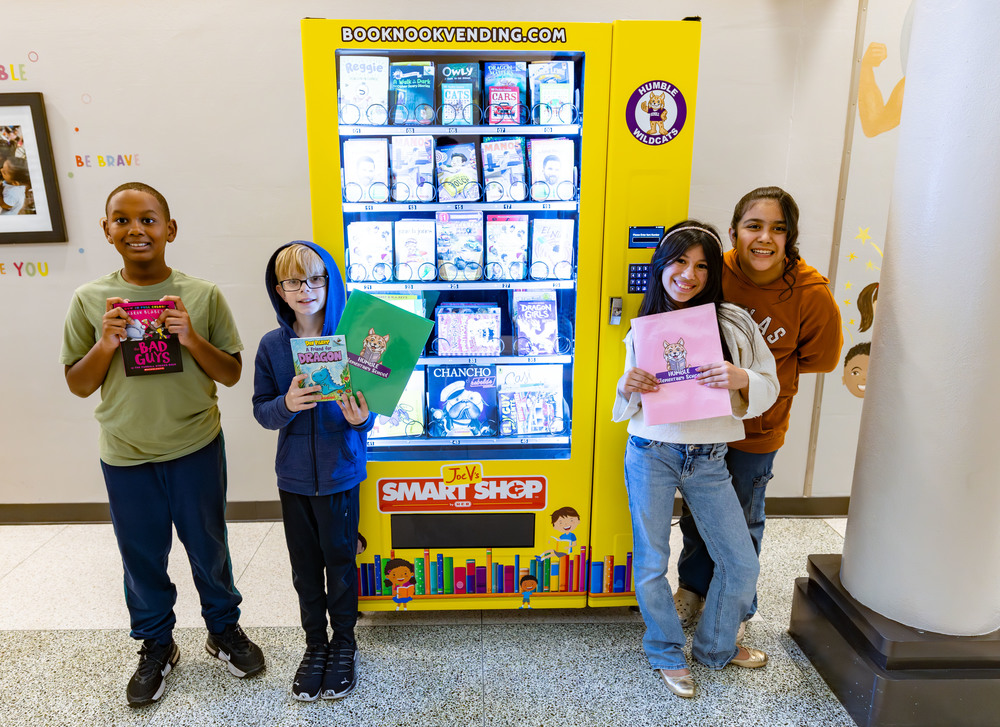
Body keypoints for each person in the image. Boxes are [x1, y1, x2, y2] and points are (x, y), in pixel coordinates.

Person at [60, 182, 264, 708]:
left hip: (195, 444)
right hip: (126, 453)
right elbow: (79, 384)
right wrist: (106, 342)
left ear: (170, 229)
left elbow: (233, 374)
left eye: (148, 219)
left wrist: (191, 338)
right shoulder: (90, 301)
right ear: (107, 231)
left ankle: (223, 630)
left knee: (209, 546)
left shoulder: (202, 295)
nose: (136, 229)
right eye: (122, 220)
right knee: (141, 557)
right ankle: (156, 644)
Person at [614, 221, 779, 699]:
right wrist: (628, 388)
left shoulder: (733, 323)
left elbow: (768, 386)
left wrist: (739, 376)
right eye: (680, 261)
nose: (689, 274)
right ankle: (665, 650)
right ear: (661, 266)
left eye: (702, 265)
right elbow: (628, 402)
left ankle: (715, 647)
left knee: (740, 562)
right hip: (652, 450)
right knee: (651, 560)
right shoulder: (645, 324)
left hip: (709, 457)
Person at [674, 187, 843, 637]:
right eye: (754, 226)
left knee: (743, 515)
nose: (764, 237)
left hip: (758, 427)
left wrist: (765, 378)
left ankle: (736, 609)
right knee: (697, 511)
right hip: (703, 421)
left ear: (790, 238)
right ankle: (691, 590)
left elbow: (821, 359)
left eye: (778, 228)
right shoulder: (715, 271)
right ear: (734, 233)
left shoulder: (811, 293)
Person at [252, 241, 374, 702]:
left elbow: (371, 407)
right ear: (279, 290)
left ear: (330, 282)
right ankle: (315, 645)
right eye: (293, 281)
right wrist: (286, 404)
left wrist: (361, 419)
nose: (305, 290)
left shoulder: (356, 340)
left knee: (341, 564)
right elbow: (262, 411)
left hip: (342, 473)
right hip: (294, 478)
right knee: (305, 568)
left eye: (315, 279)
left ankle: (344, 643)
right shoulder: (272, 346)